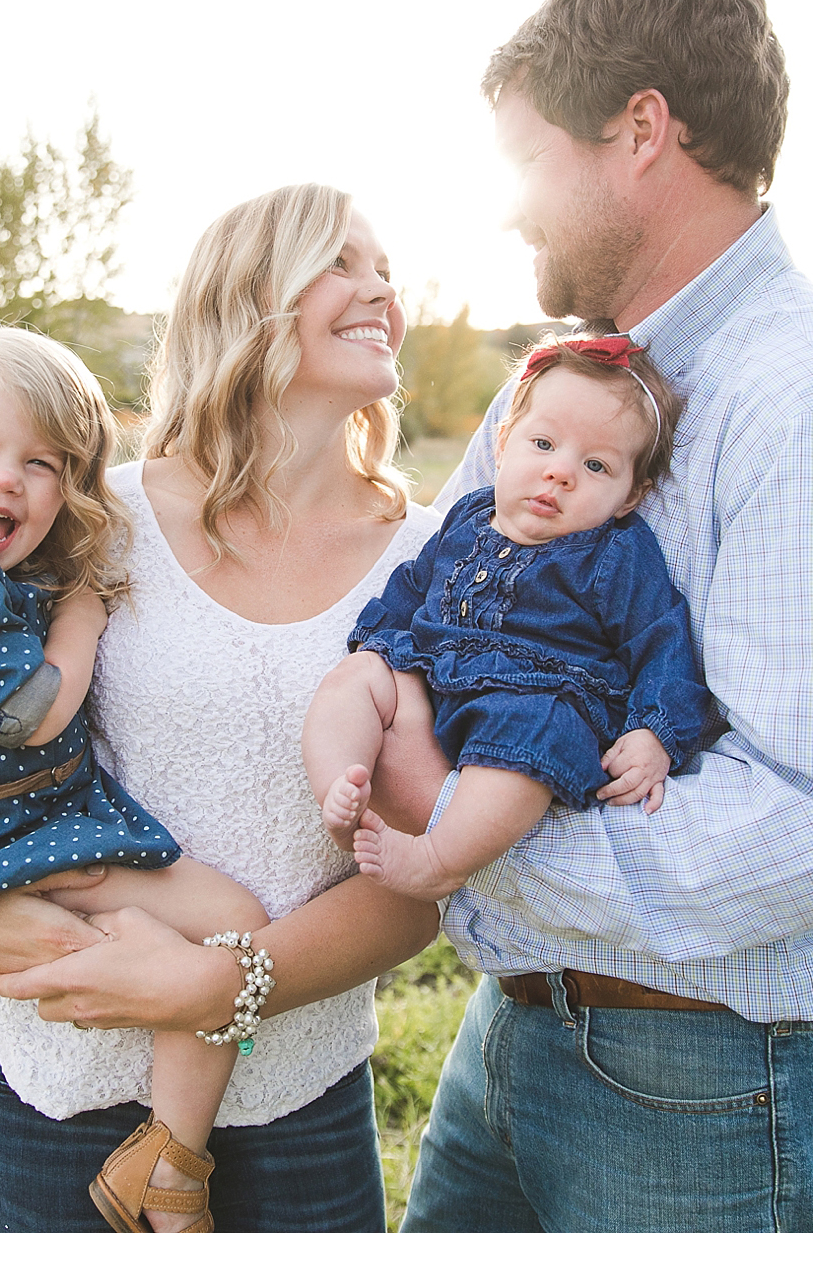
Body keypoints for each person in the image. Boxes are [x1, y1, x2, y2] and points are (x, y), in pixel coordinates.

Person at [399, 0, 813, 1233]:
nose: (509, 208)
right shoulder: (558, 384)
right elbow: (426, 588)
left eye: (531, 159)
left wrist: (460, 835)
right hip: (516, 1030)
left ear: (642, 131)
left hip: (713, 1082)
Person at [0, 185, 445, 1232]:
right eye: (341, 262)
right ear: (246, 299)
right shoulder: (90, 520)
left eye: (385, 269)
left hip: (297, 1096)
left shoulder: (432, 557)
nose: (380, 287)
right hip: (53, 1070)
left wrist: (220, 985)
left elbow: (427, 872)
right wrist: (72, 953)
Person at [0, 324, 279, 1231]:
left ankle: (162, 1155)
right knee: (233, 924)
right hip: (12, 831)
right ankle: (173, 1164)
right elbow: (30, 716)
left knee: (160, 940)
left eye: (44, 463)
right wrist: (84, 614)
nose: (6, 478)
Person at [303, 333, 712, 900]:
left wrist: (655, 733)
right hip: (433, 673)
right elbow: (416, 584)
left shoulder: (614, 553)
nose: (560, 473)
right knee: (355, 677)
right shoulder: (470, 514)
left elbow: (662, 642)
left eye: (595, 465)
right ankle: (338, 788)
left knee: (532, 745)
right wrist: (380, 650)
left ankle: (439, 860)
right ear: (503, 445)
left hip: (536, 693)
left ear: (629, 496)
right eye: (543, 443)